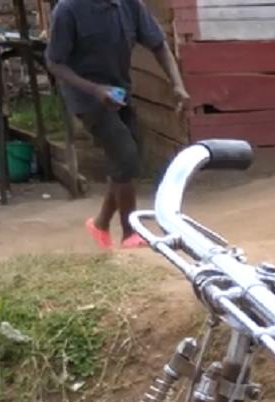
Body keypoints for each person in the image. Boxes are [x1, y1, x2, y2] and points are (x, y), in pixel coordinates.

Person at [45, 0, 188, 250]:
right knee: (125, 154)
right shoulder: (68, 10)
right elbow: (55, 63)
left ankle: (100, 224)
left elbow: (159, 45)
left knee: (127, 160)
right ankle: (129, 233)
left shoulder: (129, 5)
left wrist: (177, 85)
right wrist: (96, 90)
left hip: (119, 92)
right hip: (85, 97)